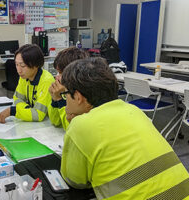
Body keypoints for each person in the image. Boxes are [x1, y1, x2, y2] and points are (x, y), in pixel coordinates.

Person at [60, 57, 189, 199]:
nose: (65, 99)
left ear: (78, 97)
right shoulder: (133, 110)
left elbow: (75, 180)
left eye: (65, 94)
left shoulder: (80, 124)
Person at [0, 44, 54, 123]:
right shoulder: (24, 76)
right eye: (17, 64)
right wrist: (27, 109)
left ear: (35, 65)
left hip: (47, 124)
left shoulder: (46, 81)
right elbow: (17, 99)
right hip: (32, 122)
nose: (19, 70)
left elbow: (38, 115)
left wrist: (13, 111)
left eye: (23, 65)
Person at [48, 47, 89, 130]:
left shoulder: (83, 95)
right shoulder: (65, 91)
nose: (57, 76)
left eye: (60, 73)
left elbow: (71, 128)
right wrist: (55, 98)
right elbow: (55, 121)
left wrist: (60, 100)